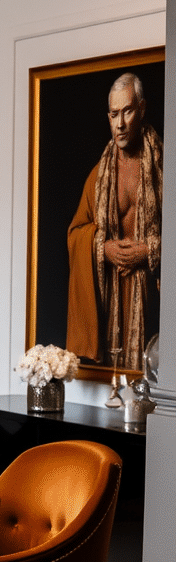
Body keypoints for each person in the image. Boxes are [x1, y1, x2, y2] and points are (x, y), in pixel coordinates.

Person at [66, 72, 162, 370]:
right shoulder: (99, 176)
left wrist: (148, 252)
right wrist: (103, 249)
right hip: (109, 300)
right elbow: (75, 233)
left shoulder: (164, 169)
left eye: (128, 111)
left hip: (152, 299)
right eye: (114, 114)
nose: (120, 124)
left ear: (142, 109)